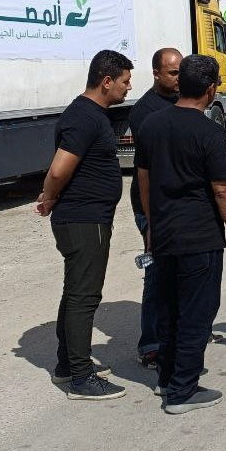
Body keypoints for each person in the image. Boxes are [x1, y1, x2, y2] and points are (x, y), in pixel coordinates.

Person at [135, 55, 226, 414]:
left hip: (165, 234)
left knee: (168, 308)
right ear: (211, 88)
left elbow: (143, 180)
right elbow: (223, 189)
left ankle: (167, 378)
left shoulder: (152, 124)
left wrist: (152, 226)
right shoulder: (209, 131)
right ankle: (183, 391)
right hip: (199, 237)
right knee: (197, 312)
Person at [36, 50, 133, 401]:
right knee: (84, 297)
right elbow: (60, 168)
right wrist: (48, 198)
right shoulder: (84, 117)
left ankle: (66, 365)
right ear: (106, 81)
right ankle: (81, 377)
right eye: (124, 81)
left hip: (87, 217)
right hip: (83, 219)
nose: (128, 87)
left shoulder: (91, 115)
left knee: (75, 292)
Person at [127, 47, 183, 369]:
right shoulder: (146, 111)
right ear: (156, 74)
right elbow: (149, 170)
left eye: (180, 73)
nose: (178, 79)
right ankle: (151, 343)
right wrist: (150, 217)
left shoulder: (182, 101)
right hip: (152, 205)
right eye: (172, 73)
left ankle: (179, 333)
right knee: (156, 273)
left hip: (177, 203)